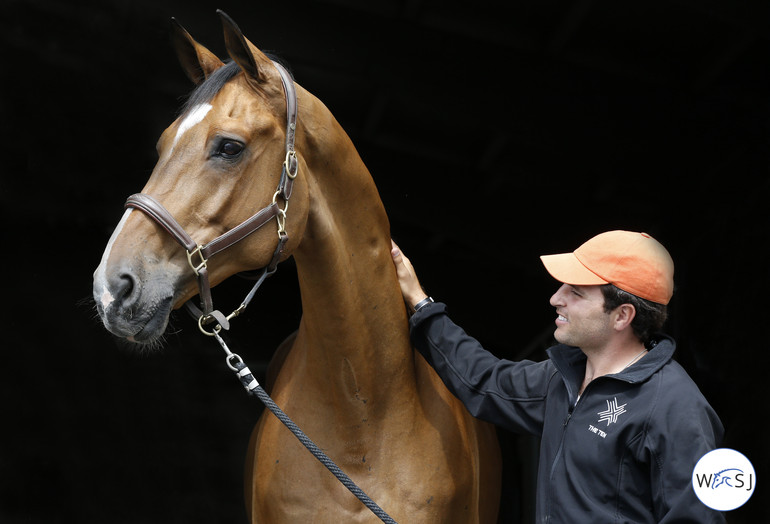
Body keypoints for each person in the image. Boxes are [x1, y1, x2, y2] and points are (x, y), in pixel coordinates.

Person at [390, 230, 725, 523]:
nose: (555, 299)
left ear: (622, 315)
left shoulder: (676, 407)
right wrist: (420, 303)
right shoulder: (561, 379)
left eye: (576, 292)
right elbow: (484, 381)